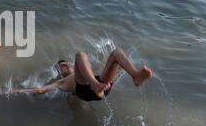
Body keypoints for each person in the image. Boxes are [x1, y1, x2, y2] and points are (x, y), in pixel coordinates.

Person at [9, 48, 152, 102]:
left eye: (66, 63)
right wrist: (13, 91)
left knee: (116, 52)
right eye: (62, 66)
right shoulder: (62, 82)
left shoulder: (84, 71)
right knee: (80, 54)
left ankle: (135, 76)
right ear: (60, 72)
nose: (65, 66)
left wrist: (116, 69)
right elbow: (40, 90)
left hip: (102, 86)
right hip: (87, 90)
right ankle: (96, 86)